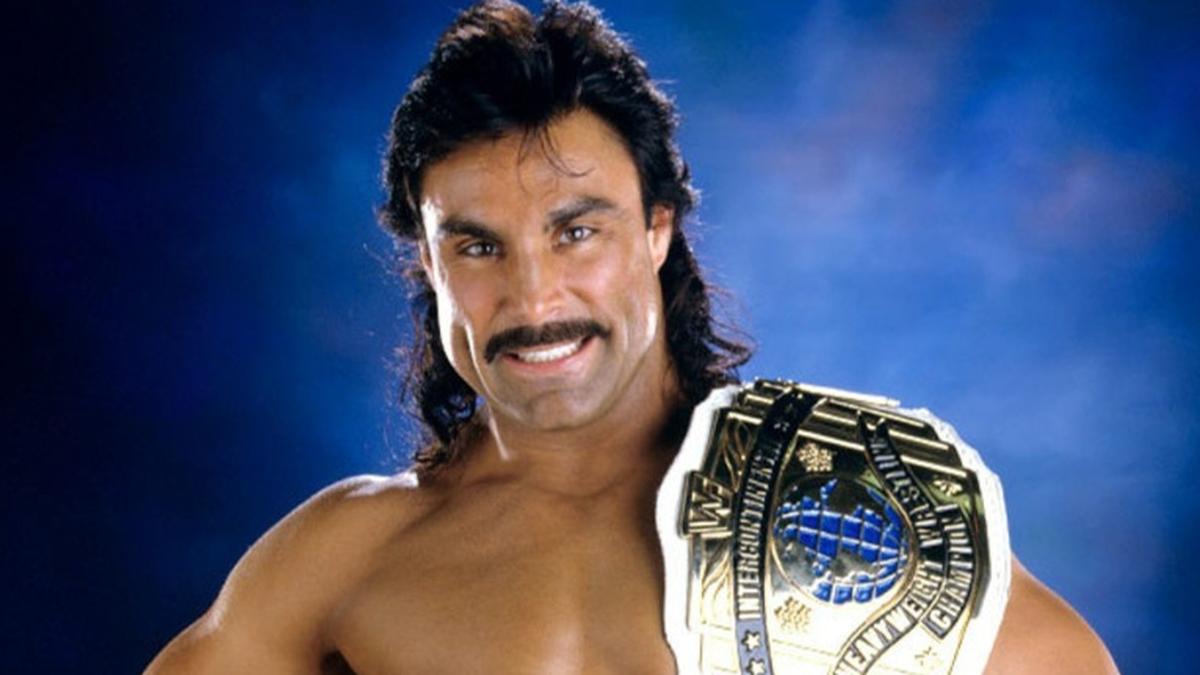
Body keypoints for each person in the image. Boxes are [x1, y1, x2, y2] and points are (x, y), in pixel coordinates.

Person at [146, 1, 1118, 673]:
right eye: (478, 246)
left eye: (578, 230)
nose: (534, 295)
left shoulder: (827, 507)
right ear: (429, 268)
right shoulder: (344, 557)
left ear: (658, 230)